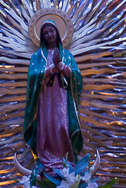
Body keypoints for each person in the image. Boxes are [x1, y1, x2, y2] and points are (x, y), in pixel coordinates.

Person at [23, 20, 83, 172]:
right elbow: (32, 77)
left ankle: (66, 163)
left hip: (62, 98)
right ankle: (47, 164)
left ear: (57, 32)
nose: (49, 35)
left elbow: (77, 77)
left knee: (62, 126)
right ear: (42, 36)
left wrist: (62, 67)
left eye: (51, 31)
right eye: (45, 33)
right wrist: (50, 69)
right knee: (46, 129)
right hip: (44, 99)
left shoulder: (67, 55)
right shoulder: (37, 56)